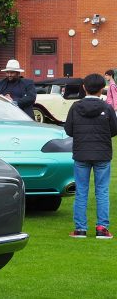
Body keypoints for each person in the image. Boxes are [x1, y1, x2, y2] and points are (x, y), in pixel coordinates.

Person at [64, 73, 117, 239]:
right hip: (102, 153)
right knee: (102, 191)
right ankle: (102, 228)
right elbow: (114, 130)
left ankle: (80, 229)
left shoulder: (75, 107)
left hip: (81, 153)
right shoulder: (107, 108)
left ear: (84, 87)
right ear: (102, 89)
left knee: (81, 191)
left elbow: (68, 130)